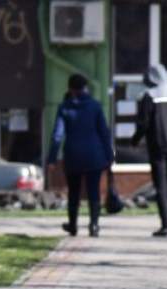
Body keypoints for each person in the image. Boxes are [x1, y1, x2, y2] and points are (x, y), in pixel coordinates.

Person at [46, 73, 114, 238]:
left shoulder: (64, 107)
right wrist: (109, 155)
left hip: (73, 156)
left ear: (70, 88)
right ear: (85, 88)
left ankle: (73, 225)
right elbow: (104, 133)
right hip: (94, 156)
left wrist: (52, 158)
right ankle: (94, 225)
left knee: (74, 192)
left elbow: (57, 135)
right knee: (93, 191)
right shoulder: (95, 106)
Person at [131, 64, 167, 237]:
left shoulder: (149, 96)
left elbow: (143, 123)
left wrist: (135, 140)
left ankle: (165, 223)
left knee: (160, 185)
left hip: (158, 146)